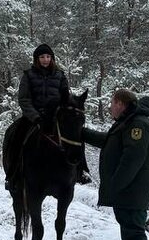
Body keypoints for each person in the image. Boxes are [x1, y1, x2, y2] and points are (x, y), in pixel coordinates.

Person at [81, 88, 149, 240]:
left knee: (134, 231)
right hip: (128, 191)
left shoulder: (137, 124)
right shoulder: (126, 123)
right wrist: (80, 132)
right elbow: (108, 141)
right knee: (128, 230)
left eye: (112, 103)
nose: (110, 108)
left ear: (121, 104)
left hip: (133, 190)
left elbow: (132, 159)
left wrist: (115, 185)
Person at [8, 44, 91, 187]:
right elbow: (24, 99)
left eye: (48, 56)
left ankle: (82, 170)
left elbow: (66, 96)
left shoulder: (60, 75)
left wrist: (71, 107)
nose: (45, 59)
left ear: (52, 58)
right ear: (37, 59)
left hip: (56, 117)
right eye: (42, 57)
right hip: (33, 117)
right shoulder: (28, 75)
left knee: (76, 136)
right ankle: (12, 174)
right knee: (16, 134)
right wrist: (35, 116)